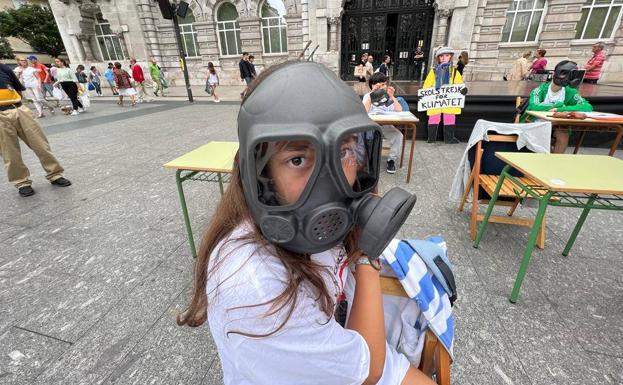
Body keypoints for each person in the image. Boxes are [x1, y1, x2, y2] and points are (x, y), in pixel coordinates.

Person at [177, 60, 431, 385]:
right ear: (261, 172)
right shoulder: (255, 290)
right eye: (297, 160)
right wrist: (368, 256)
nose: (329, 184)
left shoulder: (319, 231)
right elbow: (369, 372)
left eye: (343, 153)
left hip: (340, 346)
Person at [0, 62, 71, 197]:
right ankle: (22, 182)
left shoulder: (3, 68)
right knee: (9, 152)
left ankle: (55, 174)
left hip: (18, 108)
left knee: (41, 145)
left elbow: (18, 90)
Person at [521, 60, 592, 154]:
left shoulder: (570, 91)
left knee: (563, 132)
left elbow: (587, 107)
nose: (564, 77)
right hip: (535, 122)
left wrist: (560, 109)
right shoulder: (539, 90)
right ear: (555, 73)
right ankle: (544, 157)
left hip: (557, 124)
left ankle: (556, 161)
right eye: (563, 73)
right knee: (544, 130)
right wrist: (558, 104)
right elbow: (534, 106)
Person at [362, 72, 404, 174]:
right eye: (378, 84)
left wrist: (392, 96)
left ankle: (391, 160)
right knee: (367, 137)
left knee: (398, 135)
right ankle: (368, 160)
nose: (381, 86)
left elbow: (399, 110)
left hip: (386, 124)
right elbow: (364, 111)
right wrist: (372, 94)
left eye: (383, 84)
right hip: (371, 125)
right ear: (372, 85)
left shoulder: (388, 96)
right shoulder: (368, 96)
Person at [423, 47, 466, 144]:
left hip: (449, 102)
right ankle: (431, 139)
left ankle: (449, 139)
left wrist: (463, 90)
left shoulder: (455, 72)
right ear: (438, 58)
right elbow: (426, 86)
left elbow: (459, 85)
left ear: (450, 57)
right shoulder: (433, 72)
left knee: (450, 117)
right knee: (434, 117)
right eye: (441, 56)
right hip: (436, 101)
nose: (443, 58)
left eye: (446, 55)